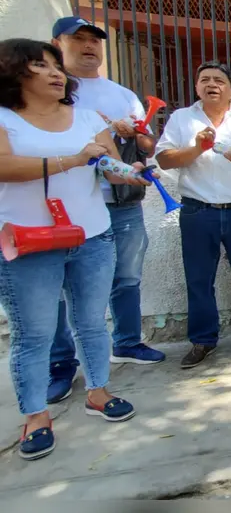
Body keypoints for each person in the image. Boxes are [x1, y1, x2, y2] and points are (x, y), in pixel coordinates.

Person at [0, 39, 148, 459]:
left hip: (91, 236)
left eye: (54, 66)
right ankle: (35, 416)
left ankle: (98, 392)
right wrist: (71, 158)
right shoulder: (5, 119)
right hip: (27, 242)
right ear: (13, 72)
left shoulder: (85, 117)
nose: (54, 72)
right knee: (35, 333)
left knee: (91, 323)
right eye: (38, 65)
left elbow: (107, 163)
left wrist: (129, 172)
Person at [45, 17, 164, 405]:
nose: (88, 46)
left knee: (127, 276)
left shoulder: (122, 94)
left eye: (93, 40)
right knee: (59, 289)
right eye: (76, 39)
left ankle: (127, 341)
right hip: (68, 205)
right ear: (56, 44)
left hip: (121, 202)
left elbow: (148, 146)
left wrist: (137, 136)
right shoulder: (51, 94)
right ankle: (61, 364)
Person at [155, 61, 231, 368]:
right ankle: (202, 340)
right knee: (198, 279)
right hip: (198, 211)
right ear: (196, 87)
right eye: (204, 80)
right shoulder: (182, 119)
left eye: (219, 80)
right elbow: (165, 159)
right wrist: (197, 148)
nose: (212, 84)